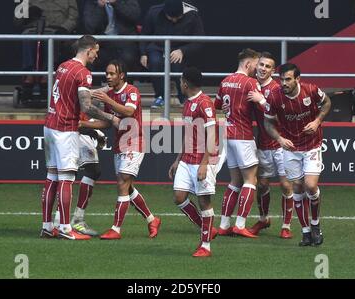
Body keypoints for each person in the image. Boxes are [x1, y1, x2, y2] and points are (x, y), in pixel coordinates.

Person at [40, 35, 119, 240]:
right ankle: (66, 228)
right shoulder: (84, 73)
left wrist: (98, 92)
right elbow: (85, 107)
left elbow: (71, 94)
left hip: (50, 125)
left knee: (51, 177)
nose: (97, 55)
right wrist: (110, 117)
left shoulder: (63, 66)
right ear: (89, 49)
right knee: (67, 178)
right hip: (65, 129)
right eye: (96, 51)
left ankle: (48, 226)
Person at [90, 60, 162, 240]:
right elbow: (108, 122)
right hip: (119, 144)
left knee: (122, 183)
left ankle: (116, 229)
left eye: (112, 74)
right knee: (128, 188)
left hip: (135, 142)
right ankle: (152, 219)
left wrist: (106, 99)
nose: (108, 76)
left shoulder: (132, 92)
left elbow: (129, 112)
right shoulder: (111, 95)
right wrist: (83, 124)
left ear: (121, 75)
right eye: (107, 73)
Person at [264, 63, 332, 246]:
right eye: (281, 79)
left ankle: (316, 224)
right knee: (297, 188)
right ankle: (306, 232)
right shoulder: (274, 97)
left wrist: (317, 121)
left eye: (288, 79)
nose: (284, 83)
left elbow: (327, 103)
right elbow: (268, 123)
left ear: (297, 79)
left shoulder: (311, 90)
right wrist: (279, 139)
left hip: (312, 145)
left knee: (310, 186)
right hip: (290, 148)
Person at [168, 67, 219, 257]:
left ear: (186, 83)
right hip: (187, 159)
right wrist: (177, 159)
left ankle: (205, 246)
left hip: (202, 160)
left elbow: (213, 136)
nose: (179, 83)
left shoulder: (205, 103)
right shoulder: (188, 103)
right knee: (179, 197)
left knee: (204, 200)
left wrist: (205, 164)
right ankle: (207, 229)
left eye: (181, 80)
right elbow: (188, 134)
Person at [245, 52, 295, 239]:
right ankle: (264, 219)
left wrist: (262, 101)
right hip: (262, 145)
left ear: (273, 71)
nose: (263, 68)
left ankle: (286, 226)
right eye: (261, 65)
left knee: (285, 184)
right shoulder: (251, 85)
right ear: (256, 66)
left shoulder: (277, 89)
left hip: (281, 143)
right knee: (262, 184)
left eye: (268, 66)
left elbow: (280, 116)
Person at [213, 48, 262, 238]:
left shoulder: (225, 81)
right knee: (251, 180)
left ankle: (224, 224)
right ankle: (240, 224)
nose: (257, 70)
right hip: (243, 135)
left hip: (229, 135)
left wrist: (228, 106)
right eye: (256, 65)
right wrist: (263, 99)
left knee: (235, 181)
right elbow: (264, 106)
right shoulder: (250, 83)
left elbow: (216, 105)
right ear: (248, 64)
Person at [140, 0, 205, 108]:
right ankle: (160, 97)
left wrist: (183, 51)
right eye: (171, 17)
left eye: (177, 18)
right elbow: (144, 34)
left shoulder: (192, 14)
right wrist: (143, 53)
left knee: (177, 67)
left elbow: (199, 40)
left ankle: (184, 98)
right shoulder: (154, 12)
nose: (174, 20)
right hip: (157, 47)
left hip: (179, 48)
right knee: (155, 62)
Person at [13, 0, 78, 87]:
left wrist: (65, 28)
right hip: (34, 28)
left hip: (57, 29)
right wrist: (26, 12)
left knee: (52, 39)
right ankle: (29, 72)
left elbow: (73, 17)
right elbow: (17, 20)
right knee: (27, 36)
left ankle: (47, 73)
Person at [82, 0, 141, 73]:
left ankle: (124, 84)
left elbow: (135, 16)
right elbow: (90, 26)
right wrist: (100, 7)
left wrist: (116, 3)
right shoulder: (93, 2)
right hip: (102, 43)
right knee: (88, 56)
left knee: (128, 57)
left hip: (124, 41)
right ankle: (95, 84)